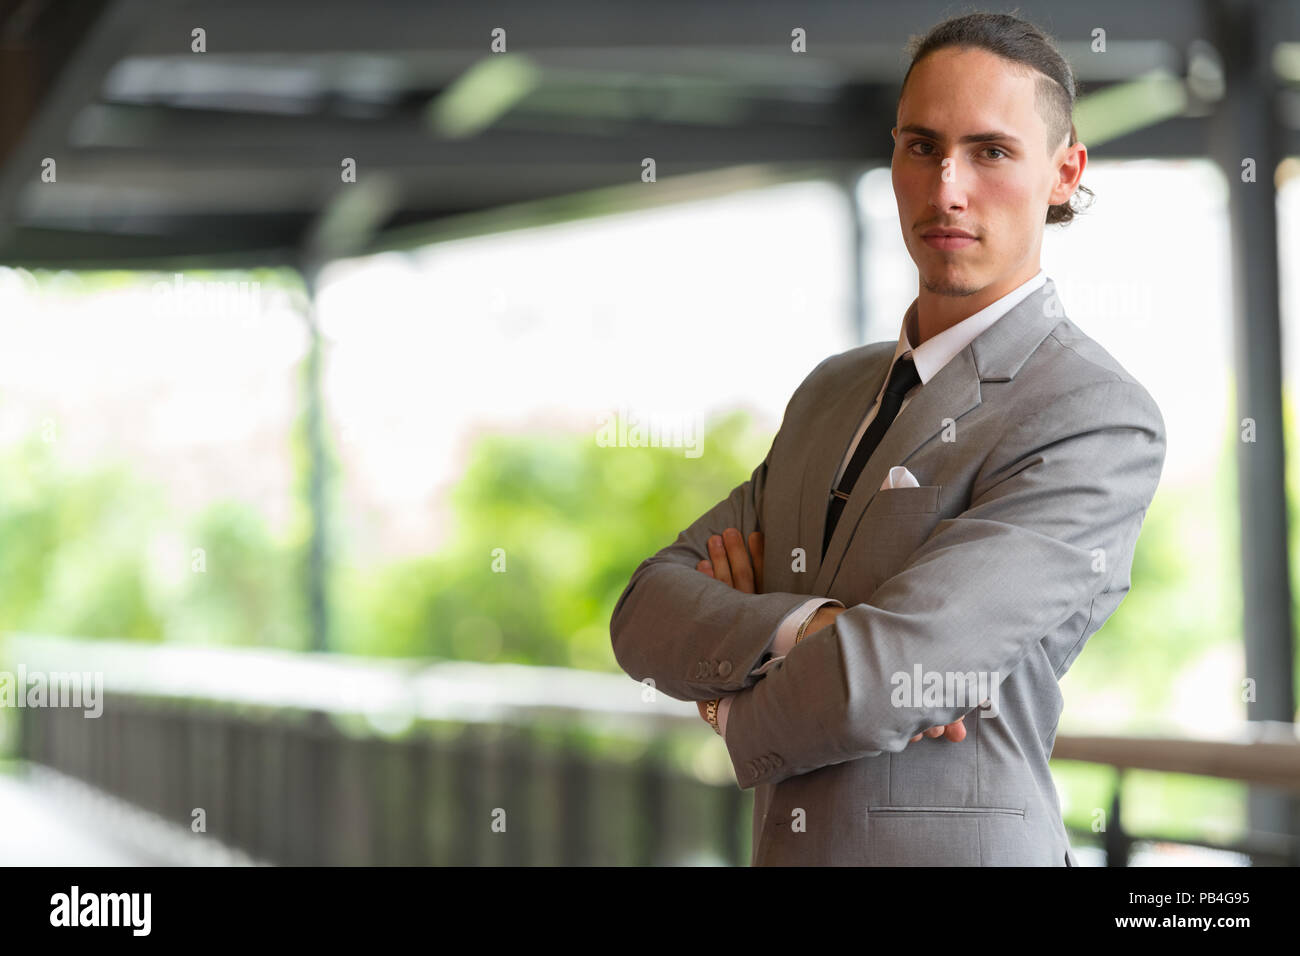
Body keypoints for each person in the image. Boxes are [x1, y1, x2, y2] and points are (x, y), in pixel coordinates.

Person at [609, 11, 1166, 865]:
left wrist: (727, 700)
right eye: (922, 146)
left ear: (1064, 173)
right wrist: (812, 627)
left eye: (991, 151)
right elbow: (646, 609)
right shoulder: (832, 392)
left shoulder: (1093, 413)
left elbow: (881, 686)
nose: (948, 187)